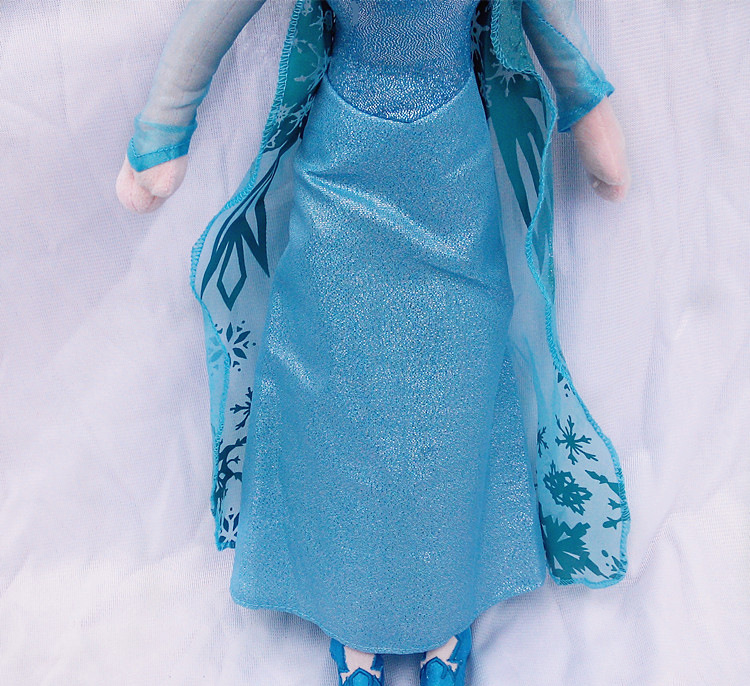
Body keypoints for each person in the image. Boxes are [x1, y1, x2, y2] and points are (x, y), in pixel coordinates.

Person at [117, 2, 631, 684]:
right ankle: (352, 620)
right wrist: (162, 130)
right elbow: (214, 16)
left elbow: (550, 19)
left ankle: (444, 614)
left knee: (452, 391)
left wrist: (589, 111)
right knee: (341, 392)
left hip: (452, 180)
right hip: (342, 174)